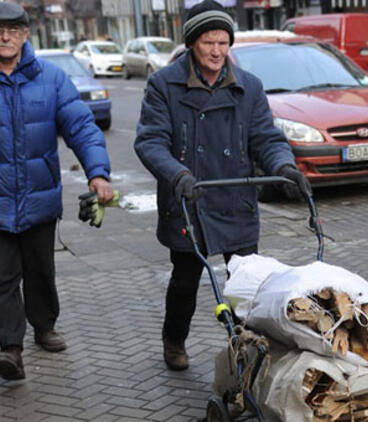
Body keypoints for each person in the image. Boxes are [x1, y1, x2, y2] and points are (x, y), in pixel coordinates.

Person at [134, 0, 311, 371]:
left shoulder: (249, 87)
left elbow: (266, 137)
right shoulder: (164, 84)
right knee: (184, 282)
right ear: (192, 43)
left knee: (247, 285)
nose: (217, 51)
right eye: (208, 43)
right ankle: (174, 339)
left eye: (223, 43)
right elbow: (150, 141)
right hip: (188, 199)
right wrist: (177, 174)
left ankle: (246, 349)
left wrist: (285, 166)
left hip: (234, 199)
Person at [0, 2, 114, 381]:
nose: (4, 36)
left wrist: (97, 173)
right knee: (3, 277)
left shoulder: (51, 78)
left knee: (40, 272)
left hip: (39, 196)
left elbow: (81, 127)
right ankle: (10, 349)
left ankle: (44, 326)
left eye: (13, 30)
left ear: (25, 35)